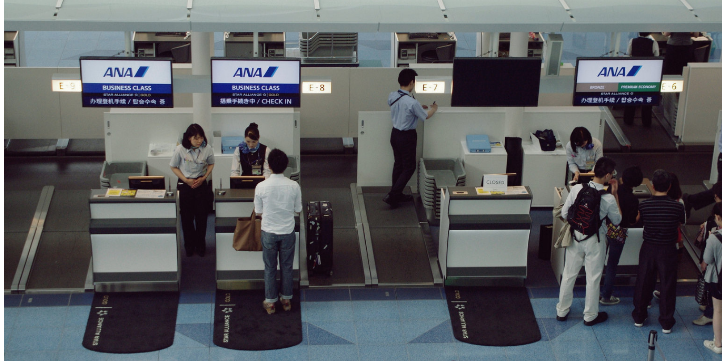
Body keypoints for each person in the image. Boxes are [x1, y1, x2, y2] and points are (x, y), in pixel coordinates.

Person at [557, 157, 622, 326]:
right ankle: (590, 315)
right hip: (595, 240)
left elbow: (564, 213)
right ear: (608, 176)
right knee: (593, 278)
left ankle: (562, 311)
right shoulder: (607, 198)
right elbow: (617, 220)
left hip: (576, 236)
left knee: (569, 274)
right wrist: (615, 194)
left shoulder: (577, 188)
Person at [632, 169, 686, 333]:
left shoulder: (644, 205)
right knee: (668, 284)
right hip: (668, 249)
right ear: (669, 187)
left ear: (653, 186)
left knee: (643, 281)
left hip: (648, 247)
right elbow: (681, 224)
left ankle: (640, 317)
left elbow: (639, 222)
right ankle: (666, 322)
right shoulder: (677, 207)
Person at [254, 149, 302, 314]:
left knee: (270, 267)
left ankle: (270, 302)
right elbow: (298, 209)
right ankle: (286, 300)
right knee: (287, 266)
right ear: (286, 166)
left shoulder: (261, 186)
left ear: (268, 165)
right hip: (288, 231)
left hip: (268, 231)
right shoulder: (294, 186)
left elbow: (258, 212)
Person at [383, 68, 438, 208]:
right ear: (412, 82)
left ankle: (396, 193)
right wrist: (434, 108)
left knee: (398, 164)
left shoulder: (393, 95)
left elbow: (404, 107)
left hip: (394, 134)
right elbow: (426, 116)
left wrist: (419, 106)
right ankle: (393, 195)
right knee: (409, 167)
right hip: (407, 137)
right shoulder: (411, 102)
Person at [170, 124, 215, 257]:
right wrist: (186, 180)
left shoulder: (207, 149)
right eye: (196, 138)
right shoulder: (180, 149)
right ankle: (189, 245)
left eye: (201, 137)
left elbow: (211, 163)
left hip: (201, 184)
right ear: (189, 138)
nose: (199, 141)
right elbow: (173, 166)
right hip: (185, 185)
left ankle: (201, 244)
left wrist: (204, 177)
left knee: (202, 218)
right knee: (187, 218)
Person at [600, 166, 643, 305]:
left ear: (622, 178)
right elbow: (631, 220)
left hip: (603, 228)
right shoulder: (633, 199)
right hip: (618, 234)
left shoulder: (610, 190)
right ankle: (606, 295)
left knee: (598, 261)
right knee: (612, 264)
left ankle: (594, 291)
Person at [694, 182, 722, 326]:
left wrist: (703, 261)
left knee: (713, 291)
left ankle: (710, 313)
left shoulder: (715, 226)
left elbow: (708, 255)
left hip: (716, 269)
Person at [623, 33, 660, 127]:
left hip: (634, 71)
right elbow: (657, 56)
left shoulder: (633, 41)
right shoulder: (653, 42)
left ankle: (628, 120)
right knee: (647, 98)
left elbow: (629, 54)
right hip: (647, 72)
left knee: (631, 96)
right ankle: (646, 122)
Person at [702, 203, 722, 354]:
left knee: (718, 311)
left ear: (718, 217)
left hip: (718, 279)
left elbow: (707, 259)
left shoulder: (715, 238)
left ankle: (718, 343)